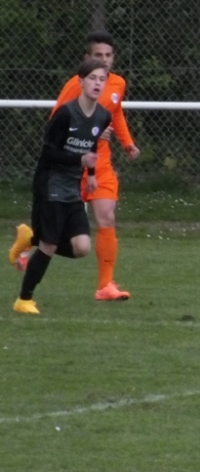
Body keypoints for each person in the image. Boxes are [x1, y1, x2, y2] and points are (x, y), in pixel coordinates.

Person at [8, 31, 141, 300]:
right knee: (57, 236)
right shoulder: (75, 86)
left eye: (108, 55)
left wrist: (127, 143)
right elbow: (59, 123)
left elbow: (115, 115)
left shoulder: (117, 84)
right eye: (98, 56)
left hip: (97, 162)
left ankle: (105, 286)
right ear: (86, 59)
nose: (104, 61)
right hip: (69, 165)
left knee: (106, 216)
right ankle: (32, 243)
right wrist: (86, 137)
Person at [13, 59, 112, 314]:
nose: (97, 83)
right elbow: (47, 153)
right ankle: (24, 300)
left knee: (81, 247)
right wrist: (79, 160)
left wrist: (91, 173)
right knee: (50, 245)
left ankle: (30, 238)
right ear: (80, 82)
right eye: (92, 78)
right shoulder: (66, 114)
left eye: (102, 79)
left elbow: (91, 143)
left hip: (73, 187)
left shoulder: (103, 116)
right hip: (50, 184)